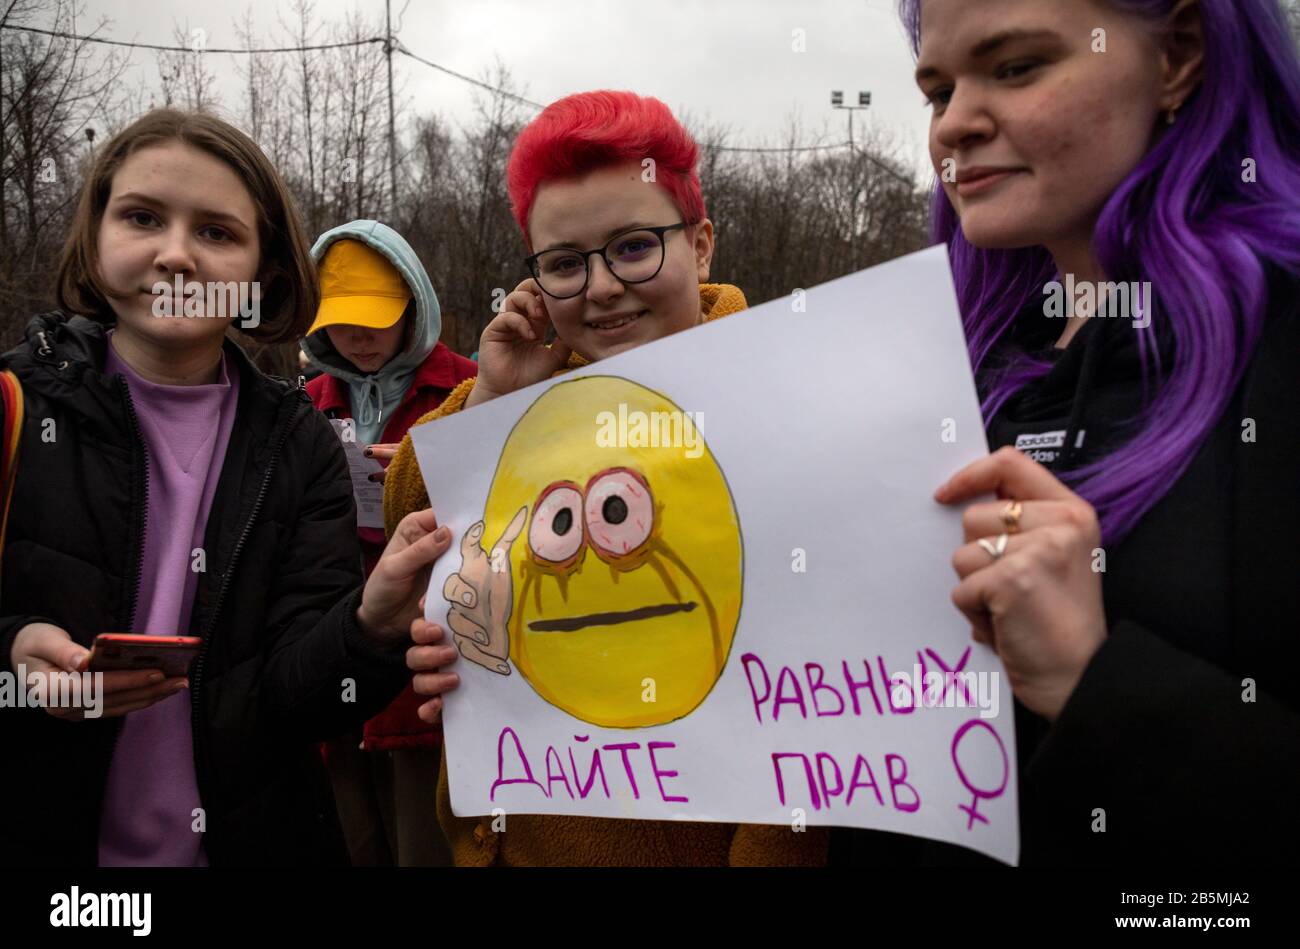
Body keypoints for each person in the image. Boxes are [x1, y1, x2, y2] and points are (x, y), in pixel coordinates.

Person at [833, 0, 1299, 866]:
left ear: (1180, 55)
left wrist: (1096, 683)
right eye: (938, 90)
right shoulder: (945, 371)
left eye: (1015, 68)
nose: (956, 125)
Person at [385, 90, 826, 866]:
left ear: (701, 245)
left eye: (632, 247)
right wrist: (492, 400)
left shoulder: (781, 404)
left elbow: (818, 703)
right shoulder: (530, 390)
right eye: (564, 263)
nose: (599, 287)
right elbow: (413, 517)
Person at [0, 109, 451, 866]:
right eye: (142, 216)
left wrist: (369, 628)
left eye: (216, 232)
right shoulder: (13, 406)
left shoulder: (298, 443)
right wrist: (10, 650)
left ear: (263, 273)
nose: (175, 255)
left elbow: (293, 699)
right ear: (94, 233)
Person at [301, 221, 476, 866]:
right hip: (333, 652)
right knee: (352, 840)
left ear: (415, 306)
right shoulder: (304, 406)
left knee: (426, 843)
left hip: (433, 668)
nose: (360, 337)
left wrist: (427, 467)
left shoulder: (469, 387)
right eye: (342, 320)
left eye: (378, 317)